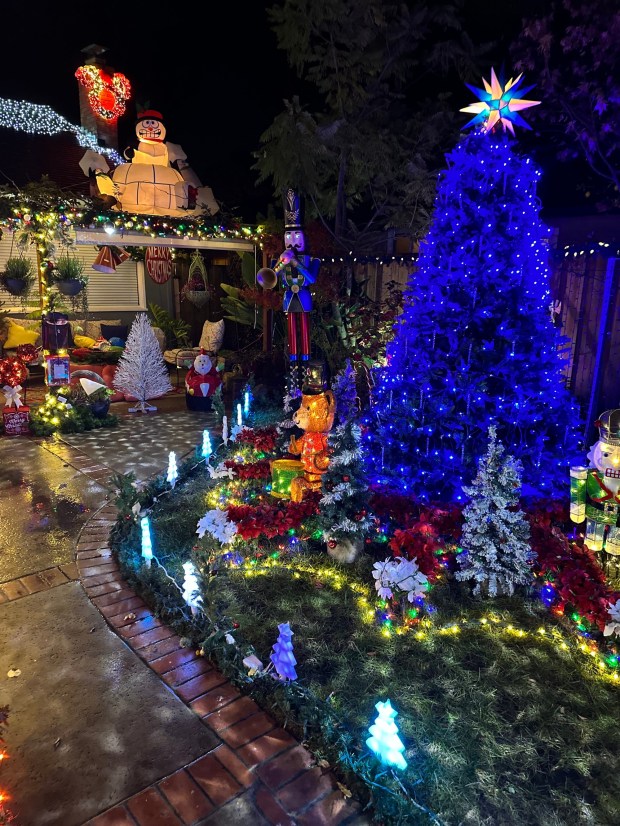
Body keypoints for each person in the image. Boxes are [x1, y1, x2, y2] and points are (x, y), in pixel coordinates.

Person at [272, 189, 321, 366]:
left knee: (305, 326)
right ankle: (293, 358)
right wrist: (281, 263)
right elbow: (271, 278)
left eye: (296, 236)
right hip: (289, 296)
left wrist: (296, 264)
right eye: (288, 236)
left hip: (303, 295)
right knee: (291, 326)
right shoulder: (279, 259)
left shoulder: (311, 259)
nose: (292, 240)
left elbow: (311, 279)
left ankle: (306, 358)